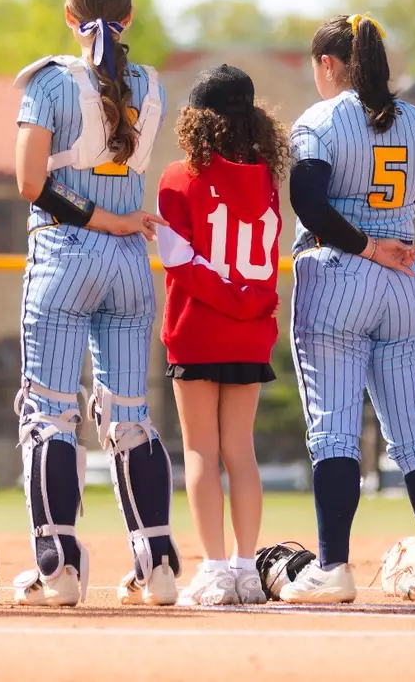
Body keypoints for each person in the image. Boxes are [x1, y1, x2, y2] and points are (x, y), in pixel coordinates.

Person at [10, 0, 182, 608]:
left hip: (64, 250)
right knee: (130, 416)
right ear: (129, 19)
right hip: (128, 263)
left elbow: (32, 184)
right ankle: (157, 563)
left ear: (68, 15)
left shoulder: (53, 81)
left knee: (50, 413)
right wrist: (115, 220)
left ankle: (59, 568)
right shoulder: (150, 84)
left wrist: (100, 218)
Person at [279, 14, 415, 604]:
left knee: (335, 431)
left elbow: (308, 202)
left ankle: (332, 567)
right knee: (413, 432)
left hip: (341, 272)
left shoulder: (322, 119)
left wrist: (361, 243)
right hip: (405, 278)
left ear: (330, 65)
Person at [155, 64, 290, 607]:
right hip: (251, 331)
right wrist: (247, 303)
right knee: (241, 452)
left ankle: (214, 571)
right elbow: (265, 265)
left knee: (201, 453)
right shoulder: (266, 179)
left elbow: (176, 259)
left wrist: (227, 299)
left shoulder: (177, 176)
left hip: (198, 329)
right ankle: (245, 569)